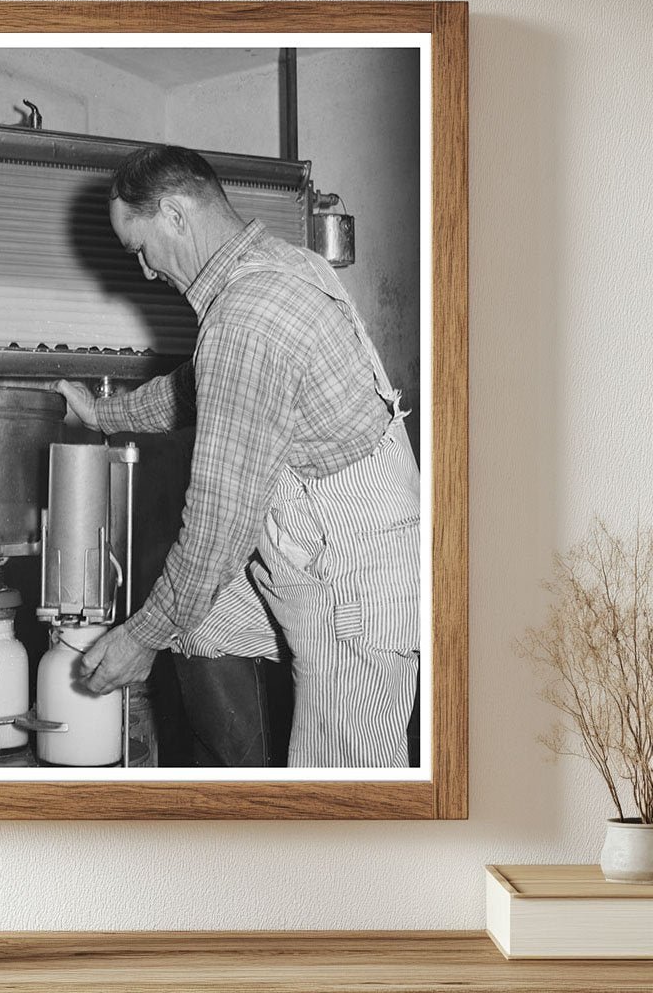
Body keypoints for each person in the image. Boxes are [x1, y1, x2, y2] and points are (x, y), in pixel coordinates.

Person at [57, 145, 420, 768]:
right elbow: (202, 389)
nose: (145, 272)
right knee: (199, 623)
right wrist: (103, 415)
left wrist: (140, 637)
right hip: (309, 549)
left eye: (140, 249)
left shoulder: (245, 317)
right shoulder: (281, 265)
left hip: (355, 588)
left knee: (335, 799)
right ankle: (248, 792)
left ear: (174, 213)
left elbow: (219, 523)